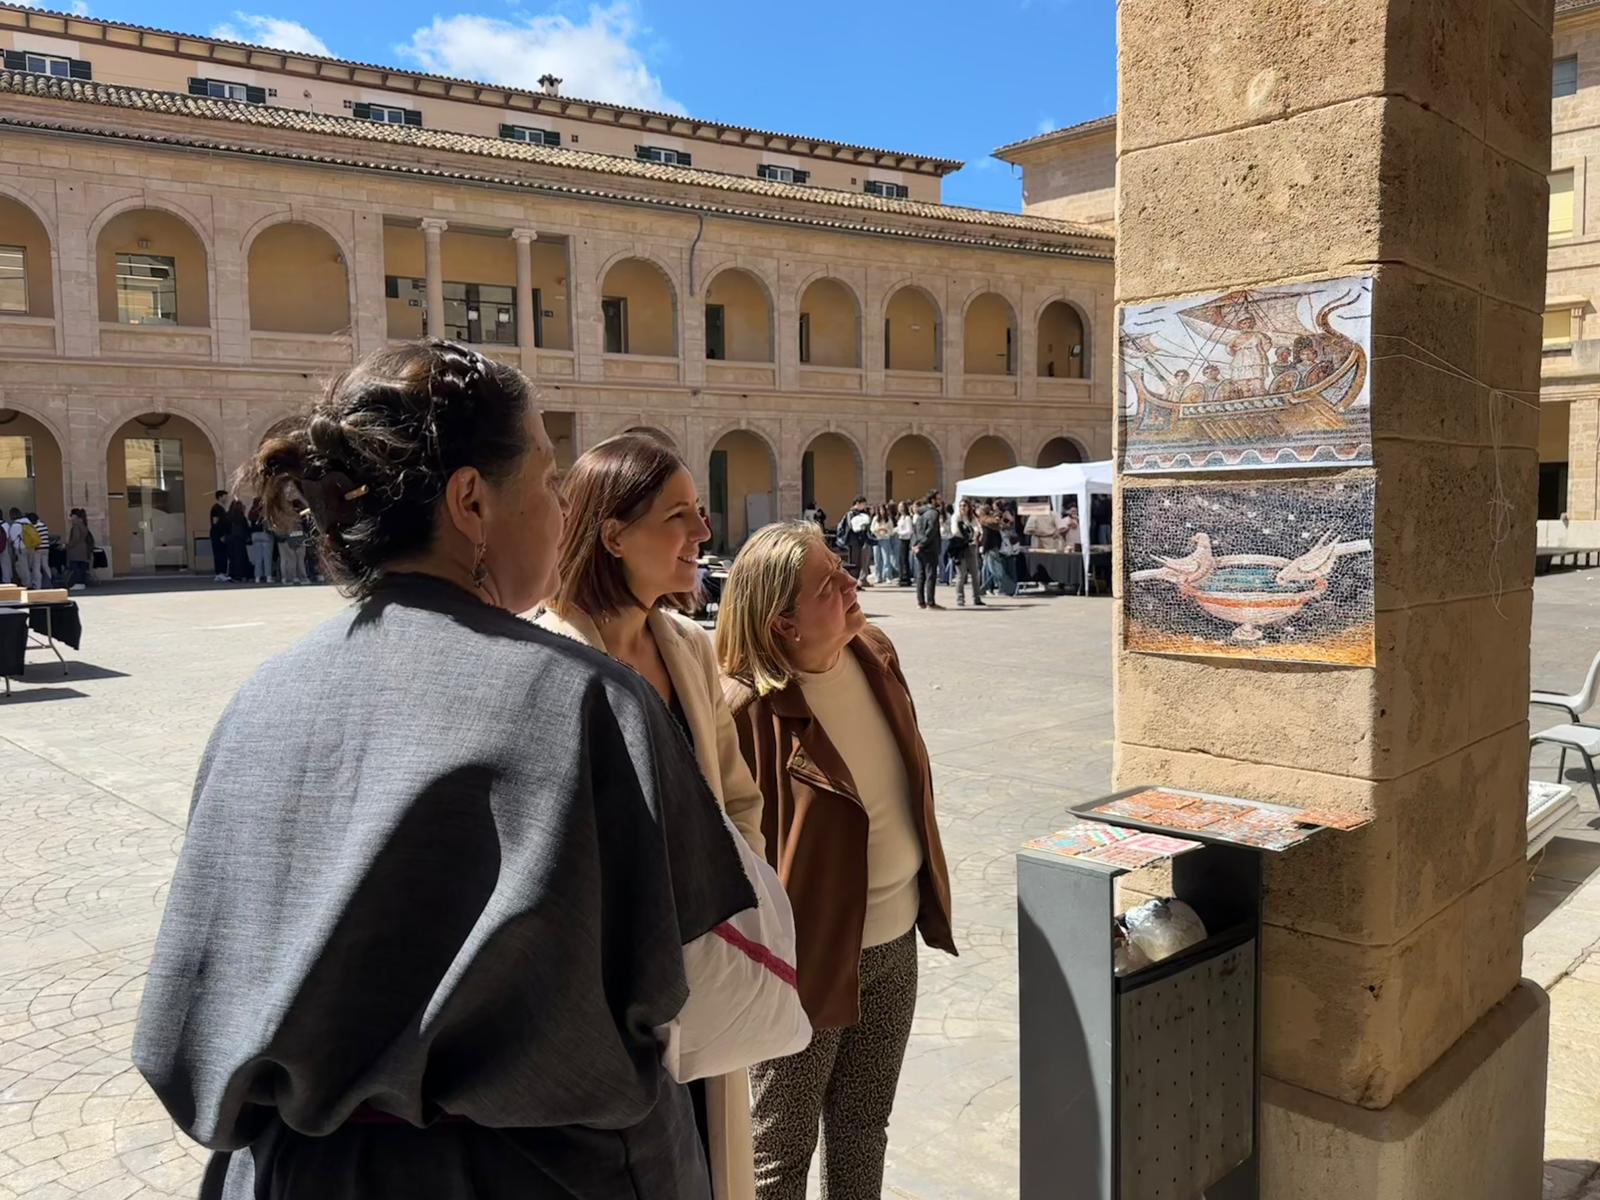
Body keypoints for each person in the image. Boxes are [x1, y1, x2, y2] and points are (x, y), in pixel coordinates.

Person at [133, 339, 809, 1200]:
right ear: (471, 501)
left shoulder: (256, 705)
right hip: (542, 1175)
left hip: (289, 1175)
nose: (562, 507)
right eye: (549, 479)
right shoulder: (586, 702)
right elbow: (713, 977)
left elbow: (185, 1018)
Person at [534, 432, 793, 1200]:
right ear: (614, 534)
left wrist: (726, 895)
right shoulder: (543, 659)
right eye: (680, 516)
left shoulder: (689, 646)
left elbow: (739, 797)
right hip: (606, 1000)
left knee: (706, 1160)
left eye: (702, 513)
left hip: (703, 969)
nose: (704, 535)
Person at [715, 521, 956, 1200]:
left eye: (844, 568)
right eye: (830, 584)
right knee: (779, 1154)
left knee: (862, 1129)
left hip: (893, 943)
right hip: (804, 964)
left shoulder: (875, 653)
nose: (854, 582)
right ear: (783, 623)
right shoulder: (742, 711)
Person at [911, 493, 942, 610]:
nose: (940, 501)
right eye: (938, 499)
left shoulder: (919, 514)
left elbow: (916, 531)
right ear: (933, 500)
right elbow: (931, 531)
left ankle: (921, 602)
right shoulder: (933, 513)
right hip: (929, 547)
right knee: (930, 575)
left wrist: (915, 545)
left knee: (921, 575)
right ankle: (930, 602)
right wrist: (922, 545)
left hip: (919, 547)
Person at [951, 498, 982, 608]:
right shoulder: (956, 517)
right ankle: (960, 598)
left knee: (975, 573)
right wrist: (968, 536)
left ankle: (977, 598)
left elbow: (978, 529)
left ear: (969, 507)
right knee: (961, 574)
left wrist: (974, 536)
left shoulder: (972, 518)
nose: (962, 507)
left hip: (971, 546)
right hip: (960, 547)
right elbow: (955, 531)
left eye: (965, 505)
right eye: (961, 505)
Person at [247, 497, 275, 584]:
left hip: (255, 535)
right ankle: (268, 577)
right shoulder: (265, 511)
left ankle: (257, 577)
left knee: (258, 558)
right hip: (265, 534)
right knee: (267, 557)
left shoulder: (251, 512)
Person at [278, 512, 310, 585]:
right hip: (298, 539)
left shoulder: (284, 519)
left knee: (289, 559)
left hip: (287, 539)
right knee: (299, 559)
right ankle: (302, 577)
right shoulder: (299, 519)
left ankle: (290, 577)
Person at [64, 509, 93, 591]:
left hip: (76, 549)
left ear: (75, 516)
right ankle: (82, 583)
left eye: (72, 516)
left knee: (75, 567)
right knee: (81, 567)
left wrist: (69, 545)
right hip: (83, 548)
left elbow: (75, 538)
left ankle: (77, 583)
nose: (71, 518)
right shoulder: (83, 525)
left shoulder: (76, 525)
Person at [225, 499, 251, 582]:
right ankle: (239, 575)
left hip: (229, 539)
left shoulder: (228, 515)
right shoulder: (241, 517)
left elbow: (224, 527)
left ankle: (231, 574)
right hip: (239, 540)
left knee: (232, 558)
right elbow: (246, 528)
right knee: (240, 558)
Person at [870, 504, 895, 585]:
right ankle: (878, 577)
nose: (882, 512)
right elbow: (872, 528)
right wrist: (877, 530)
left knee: (886, 558)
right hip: (877, 539)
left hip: (885, 539)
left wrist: (886, 531)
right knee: (877, 559)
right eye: (880, 510)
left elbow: (891, 530)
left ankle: (888, 576)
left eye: (883, 510)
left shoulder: (888, 520)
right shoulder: (875, 519)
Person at [25, 512, 52, 587]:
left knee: (36, 567)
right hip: (46, 548)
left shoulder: (34, 527)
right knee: (45, 565)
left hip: (37, 548)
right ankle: (49, 582)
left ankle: (37, 585)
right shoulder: (44, 525)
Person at [209, 490, 230, 582]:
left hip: (221, 534)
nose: (226, 498)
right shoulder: (216, 508)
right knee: (219, 553)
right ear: (220, 497)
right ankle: (219, 573)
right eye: (225, 496)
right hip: (217, 535)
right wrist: (220, 535)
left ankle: (221, 572)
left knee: (222, 553)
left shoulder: (222, 508)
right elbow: (215, 522)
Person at [894, 502, 914, 586]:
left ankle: (906, 578)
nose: (900, 509)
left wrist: (900, 532)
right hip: (900, 539)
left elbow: (909, 530)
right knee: (900, 559)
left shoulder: (907, 518)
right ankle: (901, 576)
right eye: (899, 507)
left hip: (905, 539)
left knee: (904, 559)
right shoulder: (901, 517)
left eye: (901, 507)